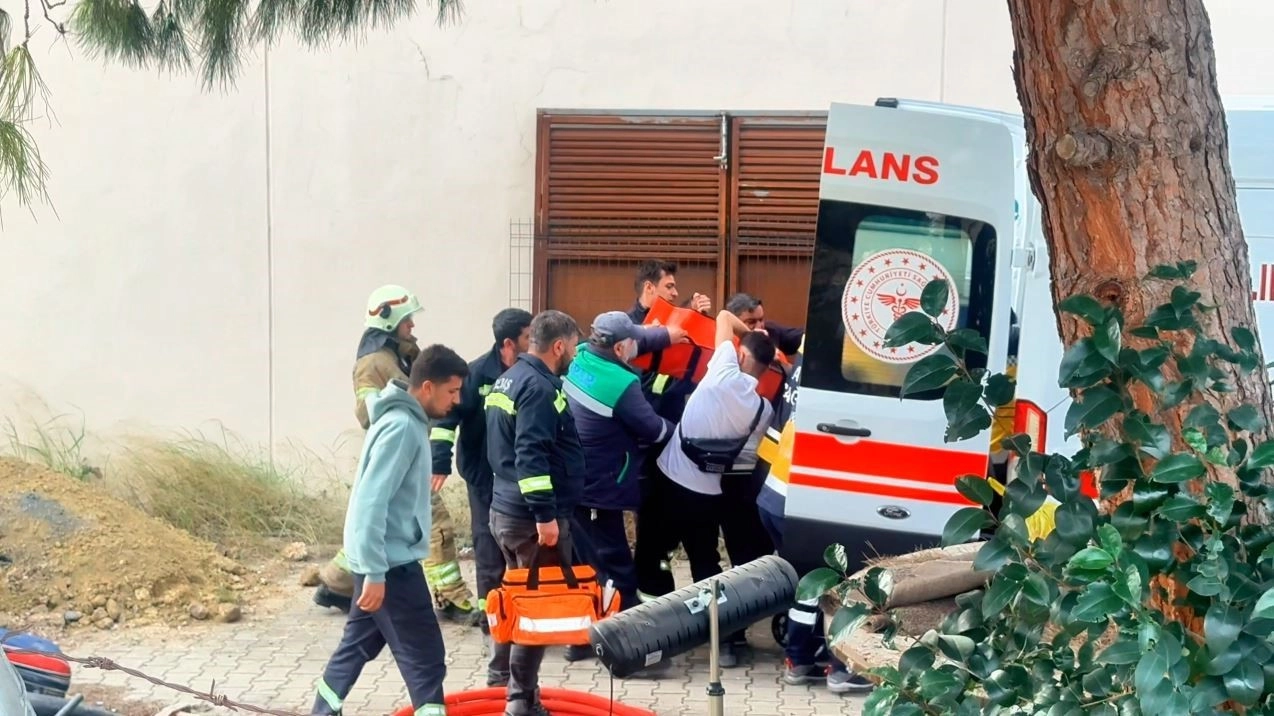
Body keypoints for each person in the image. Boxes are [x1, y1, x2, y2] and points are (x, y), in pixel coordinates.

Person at [311, 344, 470, 716]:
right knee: (425, 658)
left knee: (357, 646)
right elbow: (371, 502)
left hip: (382, 560)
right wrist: (375, 572)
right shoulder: (402, 428)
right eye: (452, 391)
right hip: (392, 565)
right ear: (427, 387)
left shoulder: (402, 421)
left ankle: (323, 710)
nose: (457, 400)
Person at [315, 285, 480, 627]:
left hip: (411, 450)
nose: (412, 326)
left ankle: (336, 583)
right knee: (435, 522)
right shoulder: (372, 363)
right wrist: (404, 416)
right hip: (400, 451)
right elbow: (368, 413)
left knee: (388, 521)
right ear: (388, 319)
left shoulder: (401, 354)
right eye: (407, 320)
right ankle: (451, 596)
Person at [634, 310, 775, 667]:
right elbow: (744, 457)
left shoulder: (724, 370)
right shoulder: (763, 410)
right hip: (709, 495)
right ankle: (723, 641)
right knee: (706, 564)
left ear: (741, 354)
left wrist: (750, 331)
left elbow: (724, 315)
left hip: (669, 483)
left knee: (652, 555)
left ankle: (655, 635)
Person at [753, 338, 873, 695]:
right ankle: (842, 667)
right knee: (841, 584)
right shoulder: (843, 393)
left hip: (774, 497)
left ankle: (799, 660)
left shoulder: (807, 372)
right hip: (801, 504)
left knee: (806, 586)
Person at [485, 310, 586, 716]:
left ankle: (503, 679)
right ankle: (520, 700)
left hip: (506, 509)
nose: (575, 354)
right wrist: (545, 517)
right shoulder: (539, 388)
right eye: (573, 346)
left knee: (517, 600)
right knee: (538, 610)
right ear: (558, 346)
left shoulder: (509, 378)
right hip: (531, 519)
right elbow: (531, 455)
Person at [561, 311, 675, 664]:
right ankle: (632, 645)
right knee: (615, 565)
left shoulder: (581, 355)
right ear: (621, 348)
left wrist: (668, 335)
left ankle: (581, 637)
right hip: (601, 486)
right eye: (632, 342)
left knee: (583, 561)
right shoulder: (621, 383)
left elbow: (637, 338)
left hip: (574, 480)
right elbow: (653, 429)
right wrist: (683, 432)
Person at [429, 307, 533, 687]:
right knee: (488, 549)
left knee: (526, 551)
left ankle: (527, 619)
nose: (532, 342)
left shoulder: (533, 372)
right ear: (508, 344)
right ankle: (494, 622)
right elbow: (446, 420)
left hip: (520, 480)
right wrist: (439, 462)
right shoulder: (476, 375)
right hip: (484, 478)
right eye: (527, 336)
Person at [724, 292, 804, 356]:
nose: (759, 326)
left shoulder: (771, 330)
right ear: (733, 320)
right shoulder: (724, 342)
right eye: (751, 322)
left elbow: (799, 336)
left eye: (761, 320)